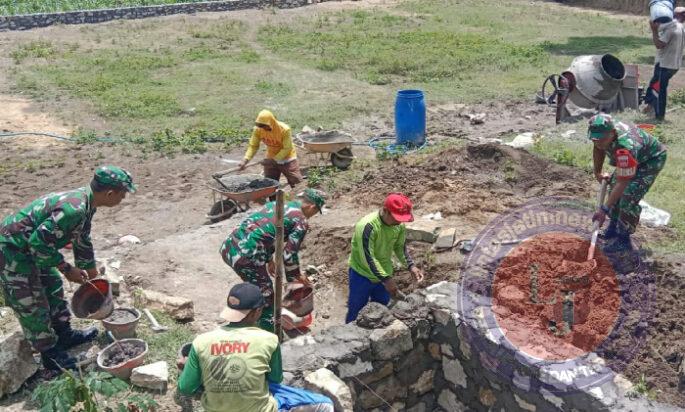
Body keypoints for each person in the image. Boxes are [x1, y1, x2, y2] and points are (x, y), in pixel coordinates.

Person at [0, 166, 136, 370]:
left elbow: (82, 239)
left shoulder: (88, 203)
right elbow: (38, 243)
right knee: (32, 302)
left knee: (53, 285)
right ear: (110, 193)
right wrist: (66, 268)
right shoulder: (74, 209)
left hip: (32, 249)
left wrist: (90, 271)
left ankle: (63, 334)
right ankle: (50, 355)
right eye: (123, 193)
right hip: (12, 251)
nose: (123, 198)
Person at [177, 282, 334, 412]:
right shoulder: (269, 340)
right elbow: (275, 379)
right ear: (257, 312)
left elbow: (185, 388)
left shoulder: (201, 342)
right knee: (325, 404)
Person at [220, 189, 326, 332]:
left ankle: (248, 317)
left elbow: (262, 232)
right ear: (312, 207)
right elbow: (288, 254)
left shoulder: (275, 205)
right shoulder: (300, 220)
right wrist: (295, 279)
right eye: (315, 212)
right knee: (267, 295)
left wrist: (269, 259)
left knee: (258, 286)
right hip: (246, 257)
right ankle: (270, 334)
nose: (313, 216)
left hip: (229, 248)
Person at [588, 114, 667, 253]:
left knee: (628, 195)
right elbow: (598, 148)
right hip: (634, 155)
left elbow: (623, 182)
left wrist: (603, 210)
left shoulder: (625, 147)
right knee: (612, 186)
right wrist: (597, 172)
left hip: (650, 160)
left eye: (602, 139)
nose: (598, 142)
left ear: (612, 133)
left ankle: (623, 240)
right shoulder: (603, 135)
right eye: (595, 138)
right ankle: (613, 227)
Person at [345, 193, 424, 323]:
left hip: (383, 274)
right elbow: (368, 258)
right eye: (396, 218)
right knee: (356, 310)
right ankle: (350, 339)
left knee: (381, 311)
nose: (399, 222)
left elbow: (400, 247)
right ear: (385, 211)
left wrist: (411, 266)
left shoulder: (398, 225)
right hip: (361, 275)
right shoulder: (367, 226)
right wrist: (387, 279)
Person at [238, 110, 303, 189]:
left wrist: (274, 160)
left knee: (297, 183)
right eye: (261, 126)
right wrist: (245, 160)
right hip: (271, 157)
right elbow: (253, 146)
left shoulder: (284, 129)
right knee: (269, 185)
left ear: (271, 122)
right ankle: (273, 201)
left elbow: (287, 148)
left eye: (265, 125)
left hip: (288, 158)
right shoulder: (258, 130)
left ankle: (299, 199)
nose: (263, 128)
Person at [644, 7, 685, 120]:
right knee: (655, 84)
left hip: (665, 65)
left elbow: (659, 44)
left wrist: (654, 30)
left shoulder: (672, 28)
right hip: (674, 65)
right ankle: (649, 106)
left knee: (660, 89)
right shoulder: (681, 27)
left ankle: (659, 115)